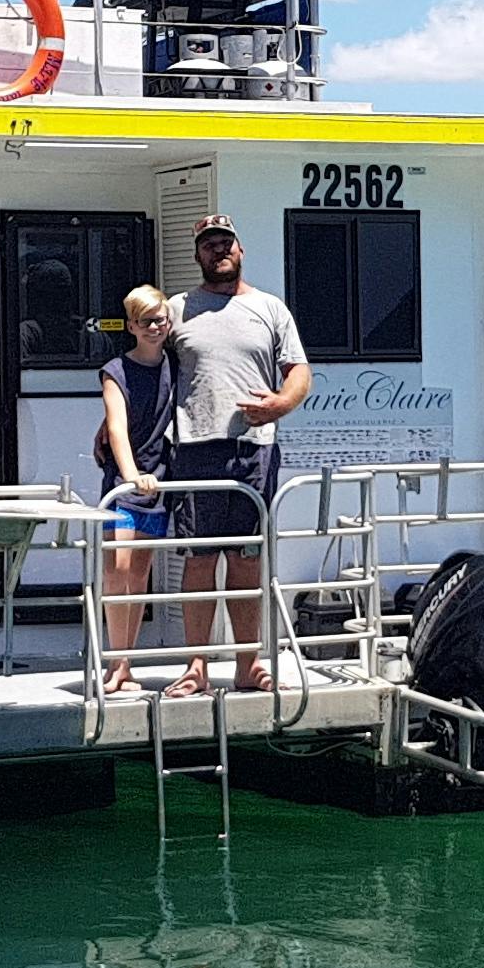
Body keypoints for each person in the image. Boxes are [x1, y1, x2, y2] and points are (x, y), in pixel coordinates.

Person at [160, 217, 310, 693]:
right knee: (200, 561)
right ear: (197, 255)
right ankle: (196, 668)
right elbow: (144, 364)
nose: (218, 252)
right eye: (208, 246)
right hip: (194, 449)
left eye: (225, 244)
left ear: (240, 250)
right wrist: (113, 416)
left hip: (254, 451)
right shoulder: (177, 309)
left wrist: (282, 404)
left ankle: (249, 665)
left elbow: (299, 370)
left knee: (246, 560)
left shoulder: (270, 308)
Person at [92, 285, 177, 693]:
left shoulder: (176, 366)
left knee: (140, 574)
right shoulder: (115, 371)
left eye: (160, 319)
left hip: (160, 478)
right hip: (125, 484)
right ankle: (114, 662)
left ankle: (127, 663)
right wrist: (130, 474)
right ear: (131, 327)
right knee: (117, 570)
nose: (155, 327)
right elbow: (116, 428)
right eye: (146, 322)